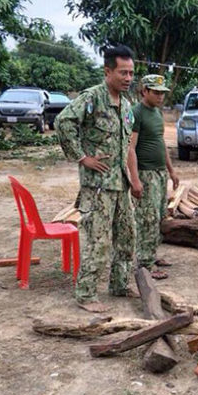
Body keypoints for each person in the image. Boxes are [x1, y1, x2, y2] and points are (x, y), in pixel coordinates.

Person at [56, 45, 137, 312]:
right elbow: (63, 121)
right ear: (108, 71)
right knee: (98, 241)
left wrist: (133, 180)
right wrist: (81, 157)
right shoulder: (92, 98)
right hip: (99, 186)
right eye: (122, 73)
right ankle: (86, 293)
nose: (128, 78)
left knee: (127, 237)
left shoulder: (126, 105)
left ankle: (119, 284)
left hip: (120, 184)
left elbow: (126, 147)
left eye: (131, 73)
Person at [127, 74, 179, 279]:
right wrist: (135, 179)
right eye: (156, 92)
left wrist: (171, 170)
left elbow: (160, 143)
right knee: (146, 218)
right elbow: (130, 148)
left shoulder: (157, 113)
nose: (160, 96)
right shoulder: (135, 113)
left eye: (162, 93)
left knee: (158, 216)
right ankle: (144, 264)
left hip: (159, 173)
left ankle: (152, 255)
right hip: (145, 173)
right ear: (144, 91)